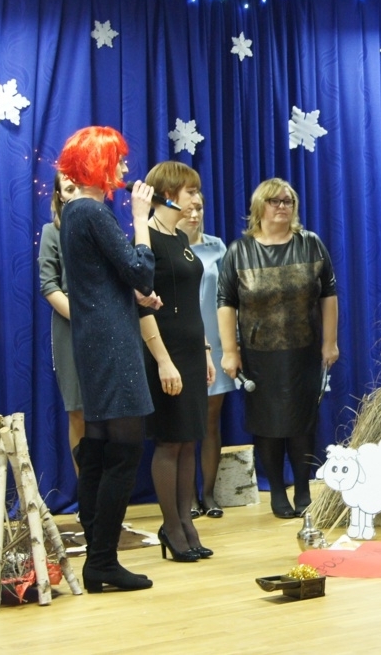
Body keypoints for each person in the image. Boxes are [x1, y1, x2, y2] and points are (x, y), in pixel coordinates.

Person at [56, 126, 159, 592]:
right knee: (124, 450)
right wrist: (140, 220)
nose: (124, 167)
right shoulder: (92, 212)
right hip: (111, 342)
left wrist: (136, 299)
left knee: (98, 449)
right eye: (118, 159)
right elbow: (140, 269)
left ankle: (99, 559)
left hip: (98, 338)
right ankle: (101, 560)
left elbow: (106, 281)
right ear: (99, 163)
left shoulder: (76, 212)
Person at [217, 178, 339, 519]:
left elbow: (329, 294)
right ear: (260, 206)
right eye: (275, 201)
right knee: (267, 427)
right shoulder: (239, 251)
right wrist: (230, 351)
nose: (283, 206)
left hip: (304, 353)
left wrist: (330, 343)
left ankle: (303, 488)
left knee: (302, 426)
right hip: (258, 357)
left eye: (288, 201)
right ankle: (276, 490)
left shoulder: (311, 244)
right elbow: (225, 302)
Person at [140, 161, 215, 562]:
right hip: (164, 352)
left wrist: (205, 350)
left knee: (189, 440)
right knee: (170, 440)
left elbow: (190, 303)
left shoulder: (181, 237)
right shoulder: (146, 238)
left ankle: (187, 522)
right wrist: (164, 361)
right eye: (190, 191)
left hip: (190, 350)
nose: (197, 199)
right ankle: (171, 526)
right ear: (168, 194)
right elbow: (141, 307)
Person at [177, 192, 233, 519]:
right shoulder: (166, 245)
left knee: (211, 421)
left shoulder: (217, 247)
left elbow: (227, 298)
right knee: (183, 425)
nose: (194, 214)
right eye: (188, 209)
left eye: (199, 208)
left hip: (216, 341)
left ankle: (208, 494)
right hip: (180, 344)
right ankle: (186, 498)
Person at [38, 172, 85, 475]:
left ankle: (109, 491)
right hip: (71, 327)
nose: (76, 193)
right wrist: (83, 318)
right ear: (59, 196)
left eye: (80, 186)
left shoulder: (103, 225)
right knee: (78, 412)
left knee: (110, 415)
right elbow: (48, 284)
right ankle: (87, 492)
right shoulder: (51, 232)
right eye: (69, 188)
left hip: (107, 327)